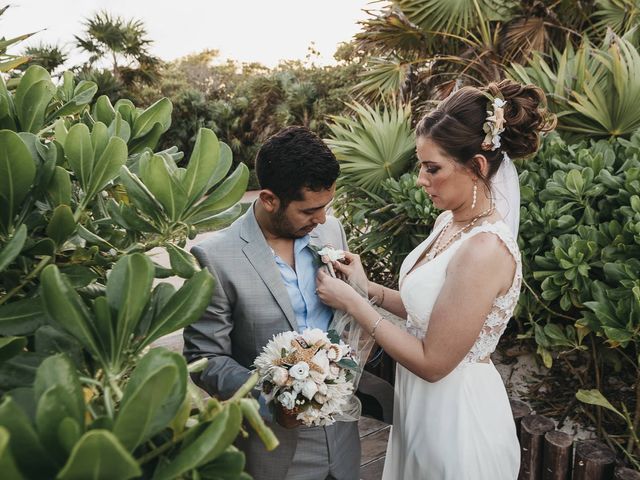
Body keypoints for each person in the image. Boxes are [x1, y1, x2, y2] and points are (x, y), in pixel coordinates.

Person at [316, 79, 556, 479]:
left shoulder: (484, 251)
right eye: (420, 166)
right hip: (419, 411)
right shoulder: (449, 222)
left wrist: (353, 304)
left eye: (433, 168)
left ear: (477, 166)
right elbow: (428, 310)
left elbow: (434, 362)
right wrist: (367, 287)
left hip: (458, 423)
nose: (421, 180)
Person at [183, 126, 361, 480]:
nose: (322, 219)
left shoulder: (329, 231)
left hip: (343, 440)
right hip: (273, 449)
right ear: (268, 199)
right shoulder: (215, 257)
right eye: (310, 210)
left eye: (327, 206)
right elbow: (205, 359)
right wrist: (274, 399)